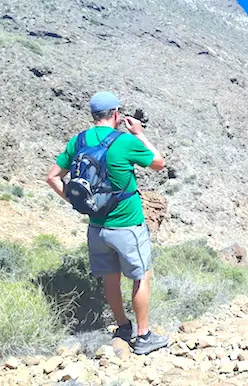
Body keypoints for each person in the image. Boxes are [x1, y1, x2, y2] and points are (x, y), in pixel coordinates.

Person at [46, 91, 170, 355]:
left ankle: (123, 327)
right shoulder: (125, 141)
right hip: (127, 225)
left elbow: (52, 177)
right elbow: (159, 163)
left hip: (96, 228)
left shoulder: (79, 141)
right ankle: (144, 336)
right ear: (115, 114)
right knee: (141, 276)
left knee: (110, 279)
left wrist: (78, 203)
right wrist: (139, 133)